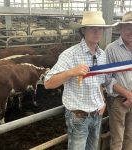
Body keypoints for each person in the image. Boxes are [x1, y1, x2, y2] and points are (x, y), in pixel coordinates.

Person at [44, 11, 114, 150]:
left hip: (97, 114)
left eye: (100, 28)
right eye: (92, 28)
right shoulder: (70, 54)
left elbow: (100, 82)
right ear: (83, 30)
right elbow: (48, 83)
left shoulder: (102, 55)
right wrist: (70, 72)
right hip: (78, 117)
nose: (97, 31)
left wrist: (103, 102)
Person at [105, 11, 132, 150]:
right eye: (129, 28)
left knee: (130, 136)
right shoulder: (111, 49)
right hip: (118, 101)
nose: (131, 32)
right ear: (121, 29)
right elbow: (107, 79)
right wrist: (127, 94)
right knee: (118, 138)